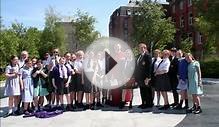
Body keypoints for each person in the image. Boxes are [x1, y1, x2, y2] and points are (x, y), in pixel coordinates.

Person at [135, 43, 153, 109]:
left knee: (147, 90)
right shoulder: (138, 56)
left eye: (143, 48)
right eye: (140, 48)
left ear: (145, 48)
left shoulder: (147, 56)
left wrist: (148, 78)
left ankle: (149, 103)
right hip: (140, 77)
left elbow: (149, 67)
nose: (141, 49)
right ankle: (143, 102)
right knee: (142, 90)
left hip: (145, 77)